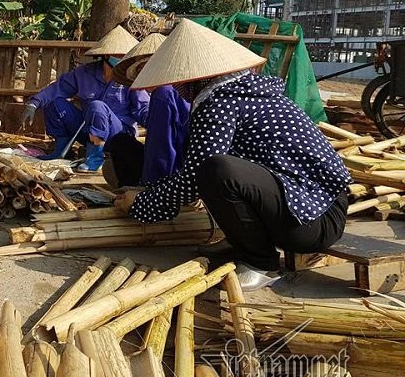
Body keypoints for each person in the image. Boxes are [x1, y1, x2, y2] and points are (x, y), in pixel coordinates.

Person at [115, 19, 351, 291]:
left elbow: (195, 177)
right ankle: (242, 242)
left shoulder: (221, 101)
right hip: (309, 211)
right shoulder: (238, 92)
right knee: (214, 168)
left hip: (313, 220)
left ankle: (261, 263)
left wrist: (142, 203)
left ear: (194, 77)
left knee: (217, 171)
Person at [21, 25, 149, 172]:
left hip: (119, 136)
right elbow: (58, 88)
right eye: (119, 55)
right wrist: (33, 103)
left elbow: (143, 107)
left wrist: (155, 122)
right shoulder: (84, 73)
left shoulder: (130, 78)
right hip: (88, 131)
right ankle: (62, 150)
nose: (123, 59)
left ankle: (95, 158)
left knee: (97, 106)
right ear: (107, 56)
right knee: (55, 103)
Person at [106, 33, 190, 187]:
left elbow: (161, 149)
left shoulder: (163, 94)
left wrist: (151, 187)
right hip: (182, 165)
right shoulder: (181, 88)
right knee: (120, 141)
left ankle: (138, 189)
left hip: (175, 173)